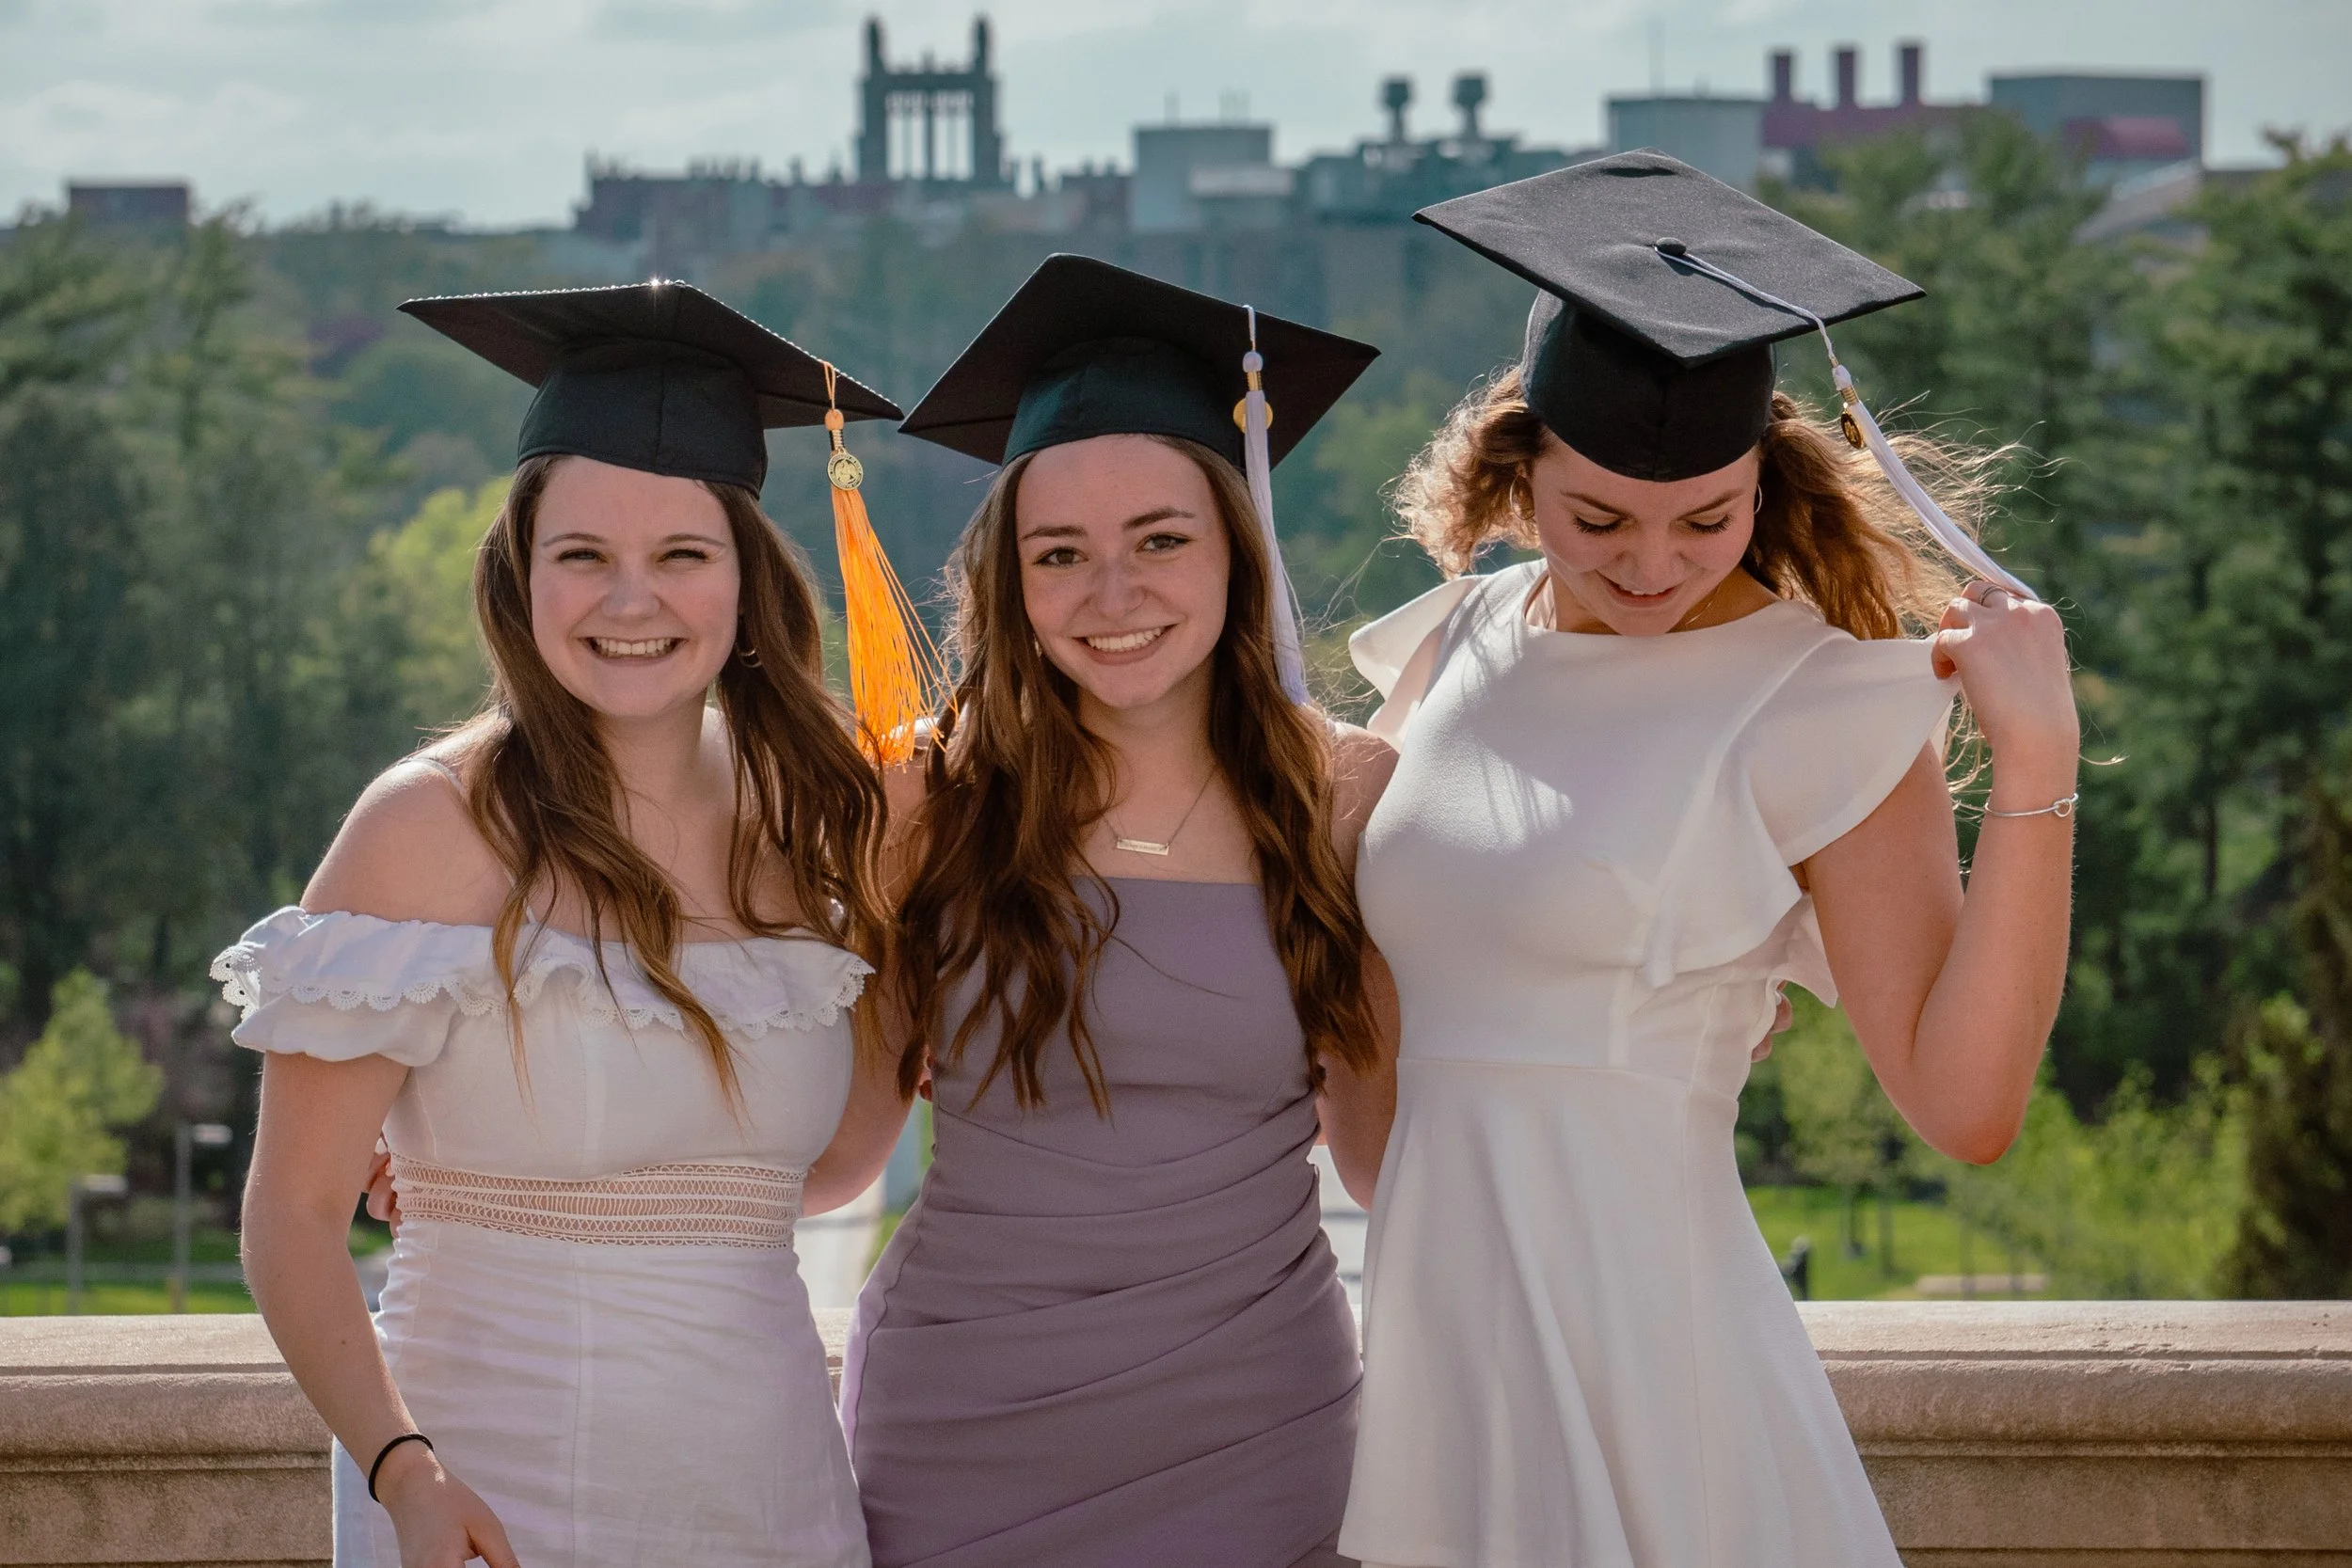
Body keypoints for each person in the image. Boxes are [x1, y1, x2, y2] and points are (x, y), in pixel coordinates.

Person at [1336, 153, 2081, 1568]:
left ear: (1766, 478)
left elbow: (1965, 1104)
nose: (1652, 563)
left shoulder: (1821, 705)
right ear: (1516, 471)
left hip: (1653, 1361)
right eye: (1595, 517)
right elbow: (1387, 1054)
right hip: (1444, 1354)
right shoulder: (1451, 644)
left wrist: (2037, 773)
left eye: (1708, 517)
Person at [223, 282, 900, 1568]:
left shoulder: (810, 825)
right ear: (520, 573)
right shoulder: (429, 829)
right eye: (582, 554)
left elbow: (803, 1174)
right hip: (493, 1502)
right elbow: (292, 1213)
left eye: (681, 557)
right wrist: (402, 1470)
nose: (627, 600)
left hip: (774, 1499)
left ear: (744, 580)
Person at [818, 254, 1397, 1568]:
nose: (1113, 593)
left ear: (1234, 550)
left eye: (1160, 540)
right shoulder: (928, 799)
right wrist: (491, 1143)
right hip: (961, 1423)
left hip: (1256, 1422)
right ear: (1010, 580)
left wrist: (1650, 1018)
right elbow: (841, 1143)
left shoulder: (1349, 799)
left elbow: (1388, 1151)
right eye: (1061, 553)